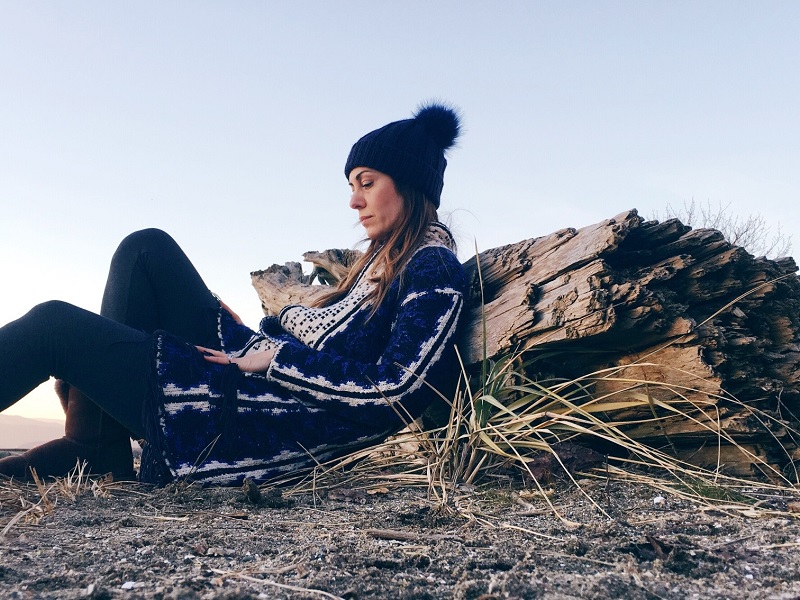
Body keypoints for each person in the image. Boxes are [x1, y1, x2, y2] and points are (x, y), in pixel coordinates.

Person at [0, 103, 467, 486]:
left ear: (410, 186)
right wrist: (243, 334)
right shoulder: (376, 267)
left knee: (52, 327)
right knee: (145, 249)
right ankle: (97, 444)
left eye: (367, 183)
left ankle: (94, 446)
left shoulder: (432, 268)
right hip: (261, 372)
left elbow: (397, 390)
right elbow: (318, 341)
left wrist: (276, 360)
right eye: (351, 185)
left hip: (271, 415)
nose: (353, 200)